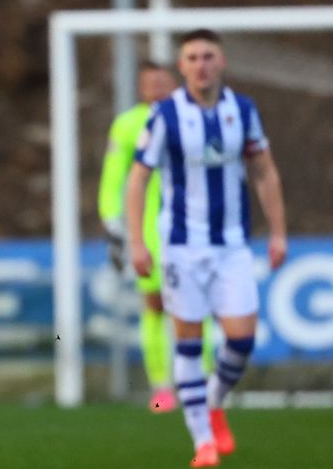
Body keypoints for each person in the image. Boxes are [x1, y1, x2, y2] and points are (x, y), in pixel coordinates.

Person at [126, 29, 288, 467]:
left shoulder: (243, 110)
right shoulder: (164, 115)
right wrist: (137, 241)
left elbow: (265, 172)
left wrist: (278, 232)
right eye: (192, 57)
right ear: (182, 67)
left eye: (208, 56)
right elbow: (137, 179)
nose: (200, 64)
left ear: (221, 62)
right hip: (180, 247)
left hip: (233, 244)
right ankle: (203, 443)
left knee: (242, 340)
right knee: (190, 343)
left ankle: (214, 400)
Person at [98, 61, 216, 413]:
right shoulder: (128, 124)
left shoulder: (194, 116)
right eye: (149, 82)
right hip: (147, 230)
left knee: (197, 305)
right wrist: (112, 220)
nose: (156, 88)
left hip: (191, 228)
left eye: (162, 82)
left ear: (173, 83)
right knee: (155, 306)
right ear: (140, 87)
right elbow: (114, 175)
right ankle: (162, 386)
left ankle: (204, 380)